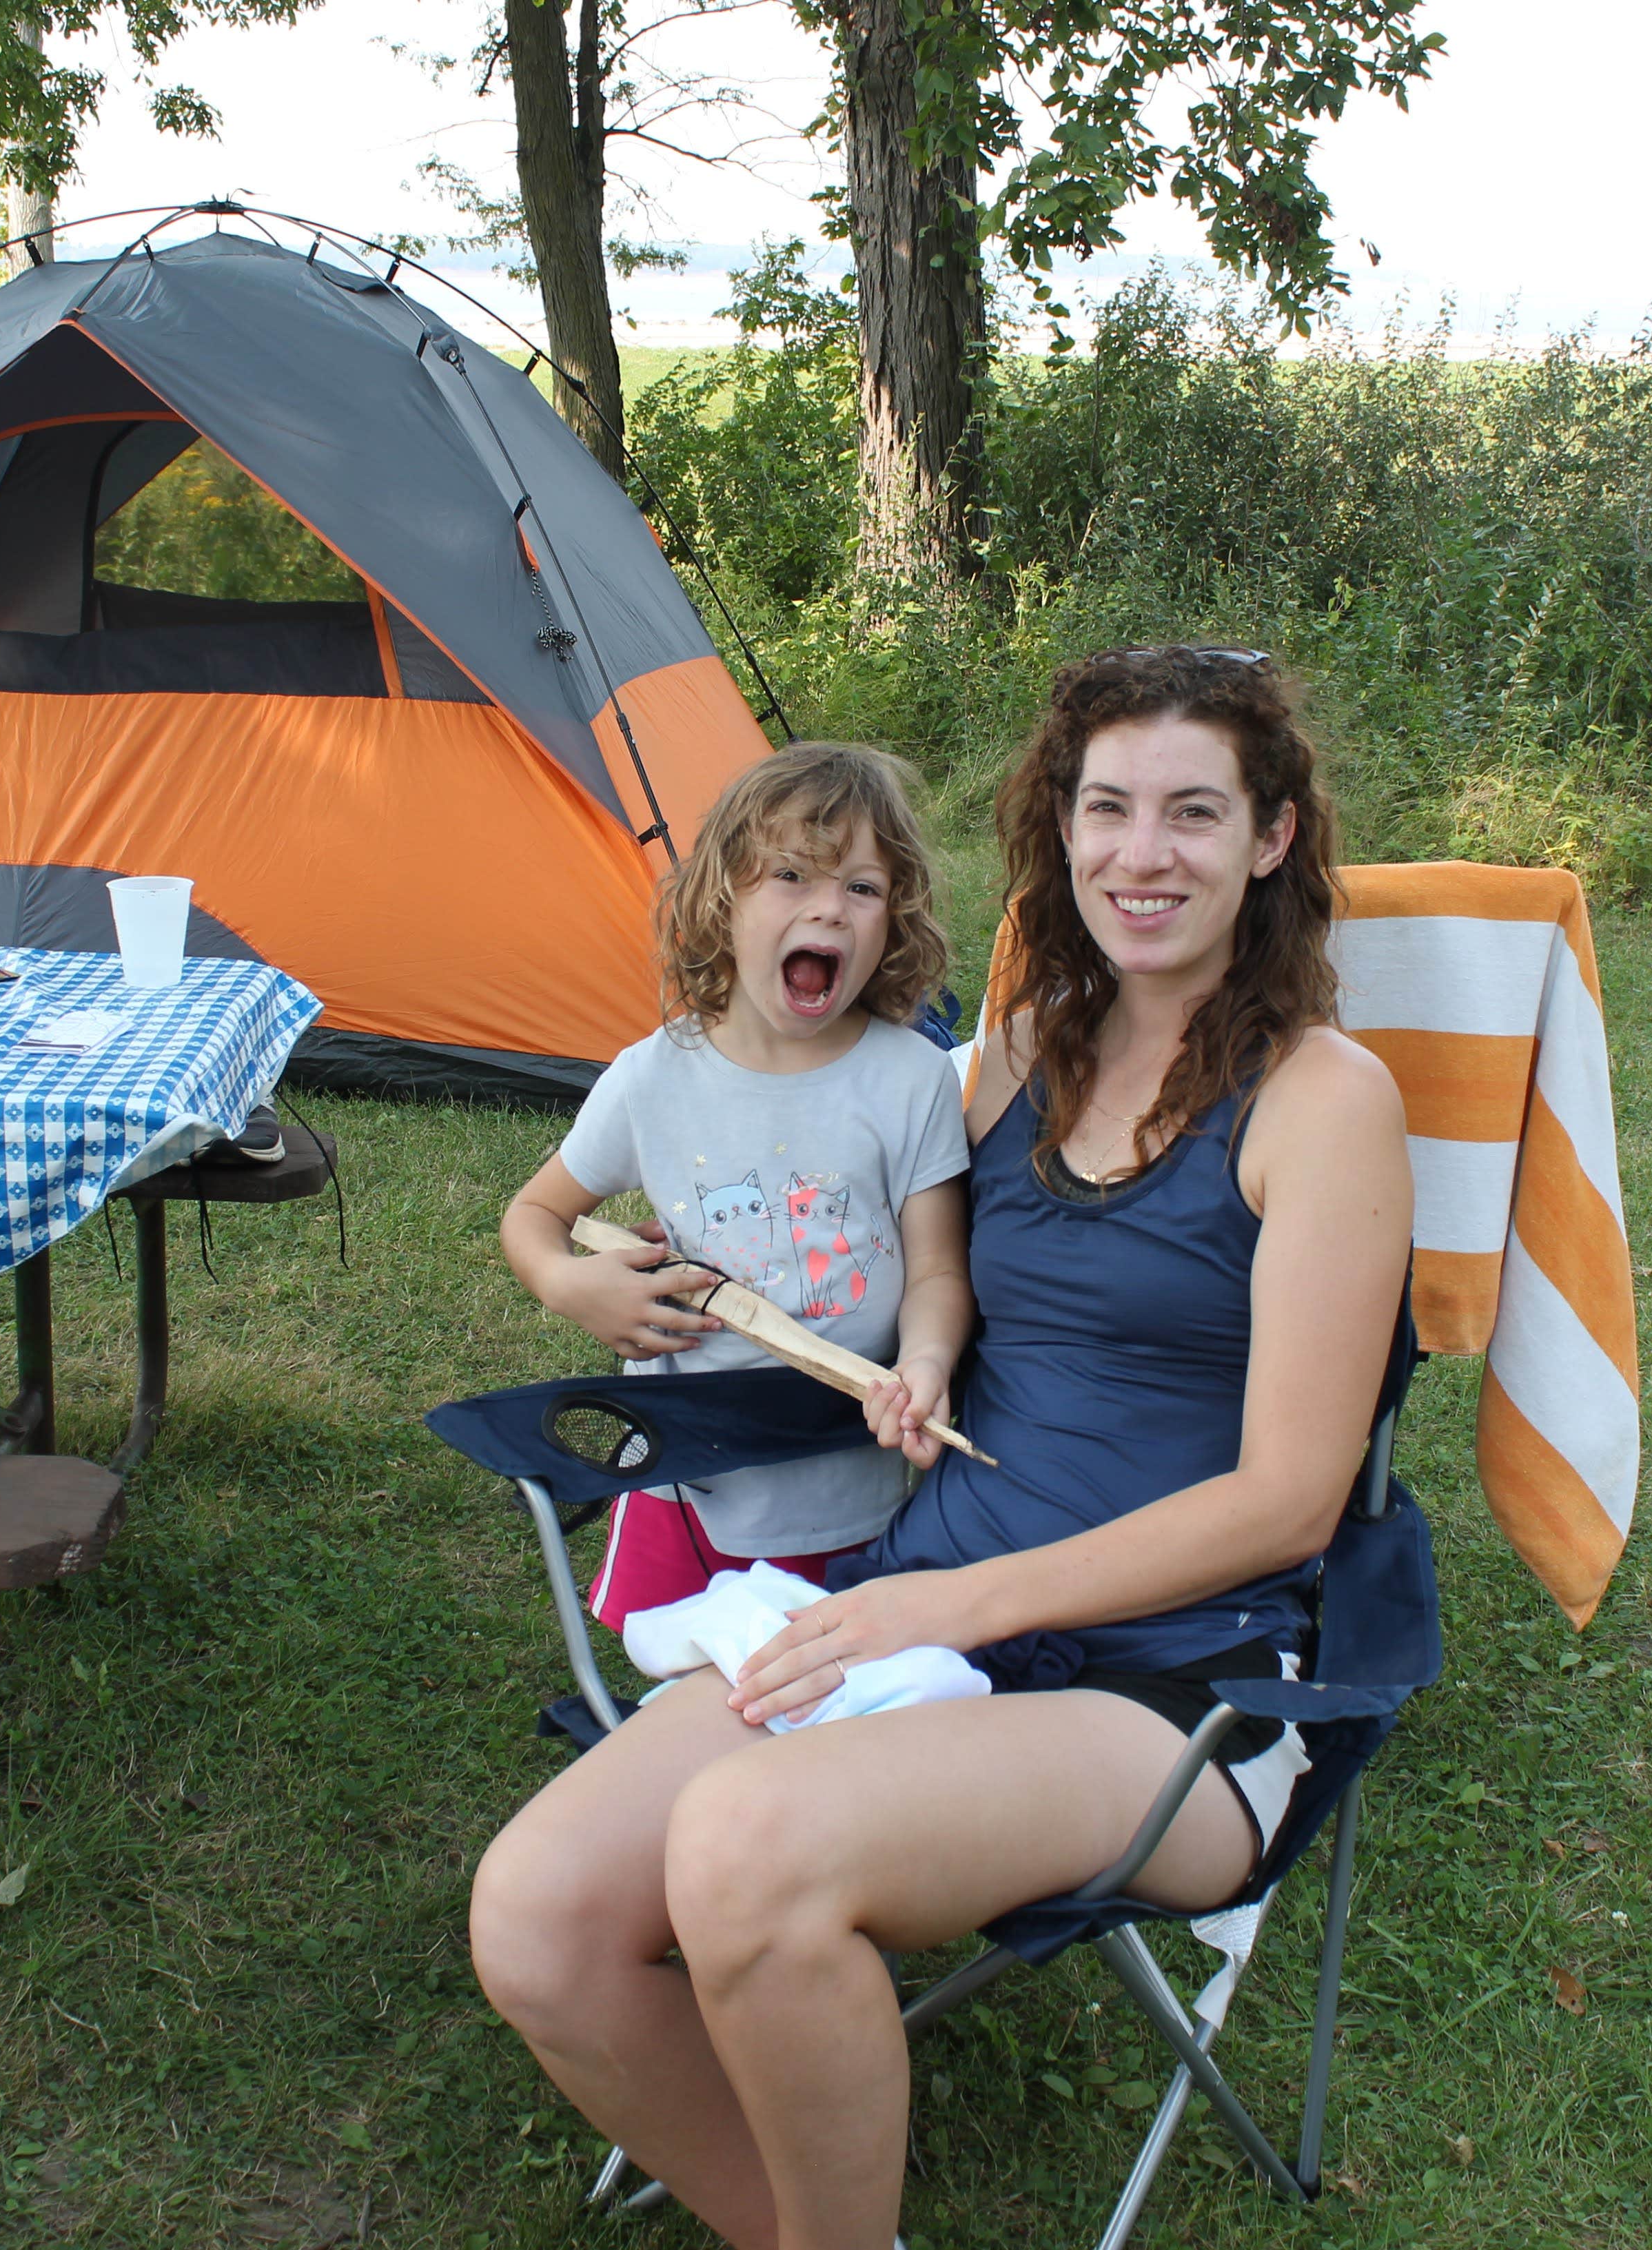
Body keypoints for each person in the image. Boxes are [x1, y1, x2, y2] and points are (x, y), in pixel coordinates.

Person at [471, 648, 1416, 2250]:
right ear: (1060, 831)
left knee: (746, 1849)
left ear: (1270, 838)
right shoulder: (1013, 1058)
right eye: (1105, 808)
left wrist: (943, 1603)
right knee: (535, 1916)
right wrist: (613, 1257)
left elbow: (1288, 1501)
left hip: (1174, 1685)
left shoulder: (1324, 1101)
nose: (1141, 853)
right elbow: (829, 1198)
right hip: (917, 1615)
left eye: (1193, 812)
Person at [500, 742, 976, 1633]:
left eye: (862, 887)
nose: (828, 908)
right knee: (675, 1662)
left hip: (847, 1474)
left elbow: (939, 1269)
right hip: (683, 1474)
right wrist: (568, 1283)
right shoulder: (653, 1079)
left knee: (823, 1675)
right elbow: (534, 1213)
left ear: (895, 919)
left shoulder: (912, 1082)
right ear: (722, 901)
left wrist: (926, 1361)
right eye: (790, 875)